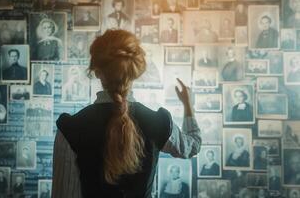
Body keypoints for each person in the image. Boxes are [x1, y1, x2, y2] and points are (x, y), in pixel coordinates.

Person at [52, 30, 201, 197]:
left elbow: (63, 193)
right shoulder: (158, 123)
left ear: (96, 71)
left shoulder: (70, 129)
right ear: (135, 71)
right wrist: (188, 105)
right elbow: (193, 146)